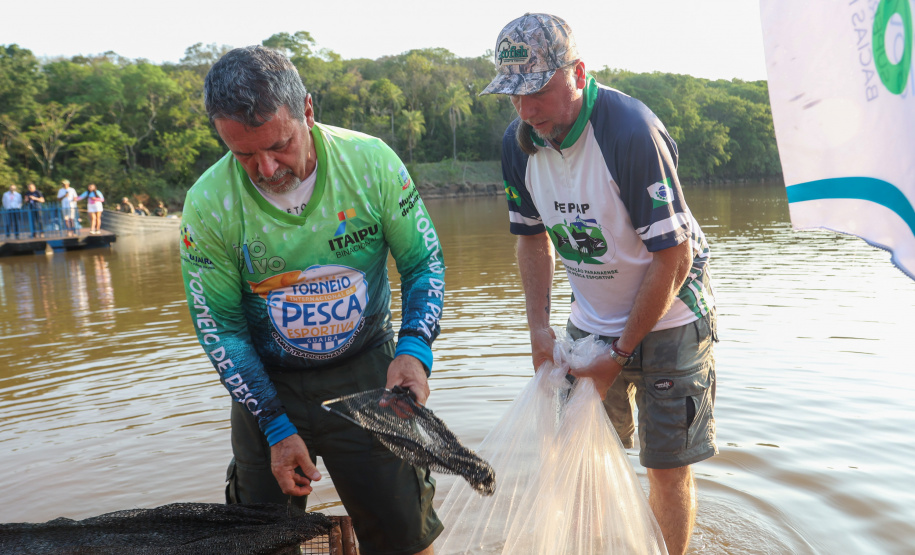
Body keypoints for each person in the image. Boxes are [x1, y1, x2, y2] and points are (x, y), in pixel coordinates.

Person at [179, 45, 445, 555]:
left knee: (405, 535)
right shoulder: (209, 204)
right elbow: (223, 332)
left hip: (368, 370)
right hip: (265, 383)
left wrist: (414, 350)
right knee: (259, 540)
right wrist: (276, 428)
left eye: (278, 145)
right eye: (243, 154)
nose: (265, 167)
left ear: (307, 109)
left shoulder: (371, 165)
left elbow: (422, 264)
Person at [481, 14, 718, 555]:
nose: (526, 109)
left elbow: (673, 257)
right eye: (512, 95)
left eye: (538, 90)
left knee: (666, 468)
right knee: (572, 454)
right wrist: (539, 330)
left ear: (579, 73)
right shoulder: (519, 145)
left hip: (672, 318)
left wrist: (620, 352)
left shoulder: (630, 131)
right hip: (588, 318)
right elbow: (531, 240)